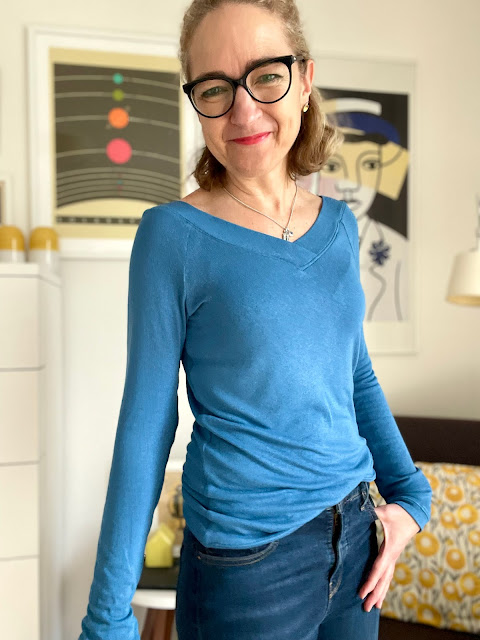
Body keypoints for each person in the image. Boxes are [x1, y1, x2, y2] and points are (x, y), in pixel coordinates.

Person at [78, 1, 432, 639]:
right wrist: (108, 617)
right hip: (247, 568)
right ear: (196, 100)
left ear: (304, 80)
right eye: (215, 88)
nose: (243, 111)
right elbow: (147, 424)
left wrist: (411, 496)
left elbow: (353, 372)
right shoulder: (172, 236)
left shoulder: (339, 225)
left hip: (357, 540)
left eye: (266, 75)